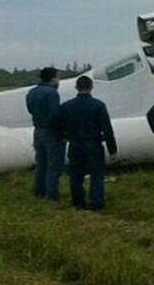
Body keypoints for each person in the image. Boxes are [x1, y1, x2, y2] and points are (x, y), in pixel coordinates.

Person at [49, 75, 117, 210]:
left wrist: (64, 136)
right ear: (91, 87)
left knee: (75, 176)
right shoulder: (99, 105)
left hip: (75, 145)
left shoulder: (66, 106)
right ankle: (96, 203)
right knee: (97, 175)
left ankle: (78, 202)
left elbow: (54, 124)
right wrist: (112, 149)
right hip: (94, 144)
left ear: (76, 88)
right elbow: (107, 129)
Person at [25, 66, 65, 200]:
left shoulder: (32, 92)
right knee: (54, 166)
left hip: (37, 130)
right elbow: (55, 115)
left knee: (41, 164)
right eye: (58, 77)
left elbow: (30, 109)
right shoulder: (52, 93)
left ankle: (39, 192)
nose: (59, 80)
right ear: (53, 78)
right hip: (51, 132)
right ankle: (52, 195)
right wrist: (62, 131)